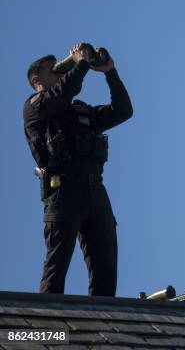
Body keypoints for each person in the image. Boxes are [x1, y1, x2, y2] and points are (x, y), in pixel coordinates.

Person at [23, 43, 133, 296]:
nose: (61, 72)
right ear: (36, 79)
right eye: (54, 70)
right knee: (56, 267)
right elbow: (63, 92)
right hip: (63, 193)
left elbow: (123, 111)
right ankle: (46, 328)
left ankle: (104, 325)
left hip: (95, 191)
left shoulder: (80, 110)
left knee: (105, 269)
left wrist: (110, 72)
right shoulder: (34, 108)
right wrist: (79, 63)